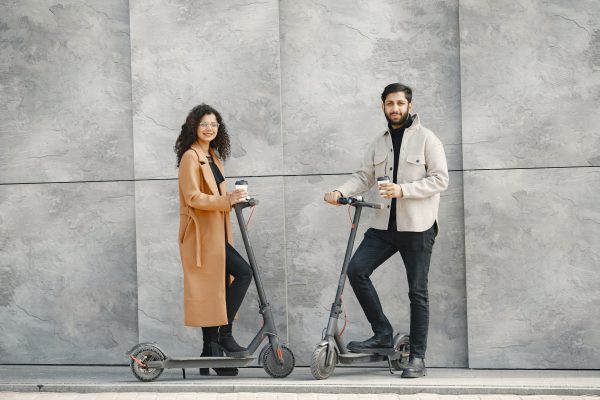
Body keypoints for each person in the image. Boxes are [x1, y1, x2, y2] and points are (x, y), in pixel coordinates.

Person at [323, 83, 449, 378]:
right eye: (390, 104)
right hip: (384, 225)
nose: (395, 109)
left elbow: (441, 180)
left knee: (417, 292)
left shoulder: (428, 139)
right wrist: (339, 192)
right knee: (357, 270)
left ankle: (417, 358)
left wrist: (403, 190)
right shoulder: (378, 142)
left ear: (410, 106)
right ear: (383, 106)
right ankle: (382, 332)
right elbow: (364, 176)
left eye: (400, 104)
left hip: (418, 227)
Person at [175, 104, 253, 376]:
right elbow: (193, 198)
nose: (210, 128)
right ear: (194, 127)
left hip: (216, 231)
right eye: (204, 123)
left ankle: (211, 349)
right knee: (241, 274)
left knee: (216, 286)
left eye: (214, 124)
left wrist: (237, 199)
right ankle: (224, 335)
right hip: (200, 235)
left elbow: (218, 199)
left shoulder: (213, 158)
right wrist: (225, 200)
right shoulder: (190, 157)